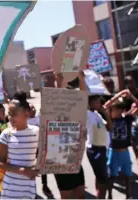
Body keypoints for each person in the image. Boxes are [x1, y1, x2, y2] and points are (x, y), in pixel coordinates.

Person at [0, 92, 39, 199]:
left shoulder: (36, 132)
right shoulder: (6, 134)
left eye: (14, 113)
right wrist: (23, 171)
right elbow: (0, 163)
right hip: (10, 191)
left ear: (26, 113)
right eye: (9, 113)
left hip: (29, 190)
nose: (10, 117)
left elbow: (43, 156)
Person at [52, 71, 87, 199]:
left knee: (80, 195)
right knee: (66, 197)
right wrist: (60, 84)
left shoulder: (75, 114)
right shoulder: (54, 116)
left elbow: (83, 99)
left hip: (74, 160)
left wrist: (82, 80)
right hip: (60, 163)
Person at [104, 89, 138, 199]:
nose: (111, 112)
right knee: (111, 176)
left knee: (127, 176)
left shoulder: (127, 119)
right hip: (113, 151)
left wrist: (130, 95)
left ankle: (128, 195)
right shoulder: (110, 120)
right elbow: (105, 106)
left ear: (120, 110)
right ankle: (109, 195)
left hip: (125, 152)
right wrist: (119, 94)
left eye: (113, 110)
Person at [87, 95, 113, 199]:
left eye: (99, 102)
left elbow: (110, 127)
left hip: (103, 150)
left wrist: (105, 113)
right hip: (95, 149)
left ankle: (99, 196)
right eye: (97, 102)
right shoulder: (88, 114)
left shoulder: (98, 114)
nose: (99, 104)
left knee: (100, 178)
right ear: (90, 103)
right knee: (104, 180)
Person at [27, 104, 54, 199]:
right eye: (31, 109)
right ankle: (31, 189)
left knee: (43, 168)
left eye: (34, 108)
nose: (33, 110)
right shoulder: (26, 122)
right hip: (31, 149)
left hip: (41, 147)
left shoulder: (38, 117)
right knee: (32, 169)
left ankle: (45, 185)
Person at [124, 75, 138, 161]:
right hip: (129, 120)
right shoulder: (124, 95)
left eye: (133, 81)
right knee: (134, 139)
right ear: (127, 84)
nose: (133, 83)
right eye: (130, 82)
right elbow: (123, 108)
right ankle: (137, 156)